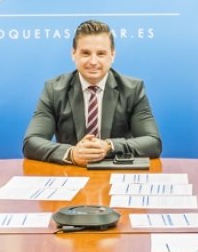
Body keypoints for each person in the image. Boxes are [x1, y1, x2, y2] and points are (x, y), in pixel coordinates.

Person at [22, 19, 162, 165]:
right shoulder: (54, 90)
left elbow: (153, 142)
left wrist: (109, 146)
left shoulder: (132, 89)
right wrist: (72, 153)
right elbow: (31, 142)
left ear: (112, 55)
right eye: (86, 53)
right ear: (73, 54)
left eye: (101, 54)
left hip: (117, 173)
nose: (93, 61)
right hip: (70, 175)